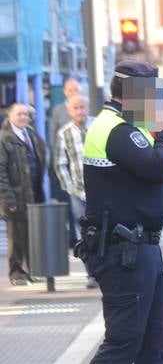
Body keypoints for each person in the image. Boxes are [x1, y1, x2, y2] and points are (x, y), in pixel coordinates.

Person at [53, 61, 163, 364]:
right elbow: (157, 168)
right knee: (123, 343)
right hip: (124, 252)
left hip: (140, 249)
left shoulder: (128, 127)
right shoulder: (115, 129)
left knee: (154, 342)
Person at [1, 103, 47, 285]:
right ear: (10, 116)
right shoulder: (4, 138)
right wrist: (8, 198)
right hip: (15, 196)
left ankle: (32, 271)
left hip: (33, 193)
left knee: (32, 234)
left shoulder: (30, 134)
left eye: (26, 114)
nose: (23, 117)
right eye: (19, 114)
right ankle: (16, 273)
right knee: (16, 237)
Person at [53, 95, 95, 287]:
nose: (80, 111)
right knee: (83, 234)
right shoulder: (64, 133)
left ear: (88, 108)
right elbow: (60, 164)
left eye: (82, 107)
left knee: (104, 230)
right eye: (75, 108)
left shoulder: (97, 126)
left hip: (100, 190)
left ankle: (105, 271)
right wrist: (70, 188)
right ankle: (91, 274)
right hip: (78, 193)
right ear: (69, 111)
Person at [47, 76, 84, 246]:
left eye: (76, 89)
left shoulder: (86, 106)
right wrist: (56, 161)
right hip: (66, 161)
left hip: (83, 161)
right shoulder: (58, 110)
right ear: (64, 92)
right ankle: (72, 236)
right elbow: (53, 136)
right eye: (70, 90)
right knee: (69, 201)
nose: (73, 92)